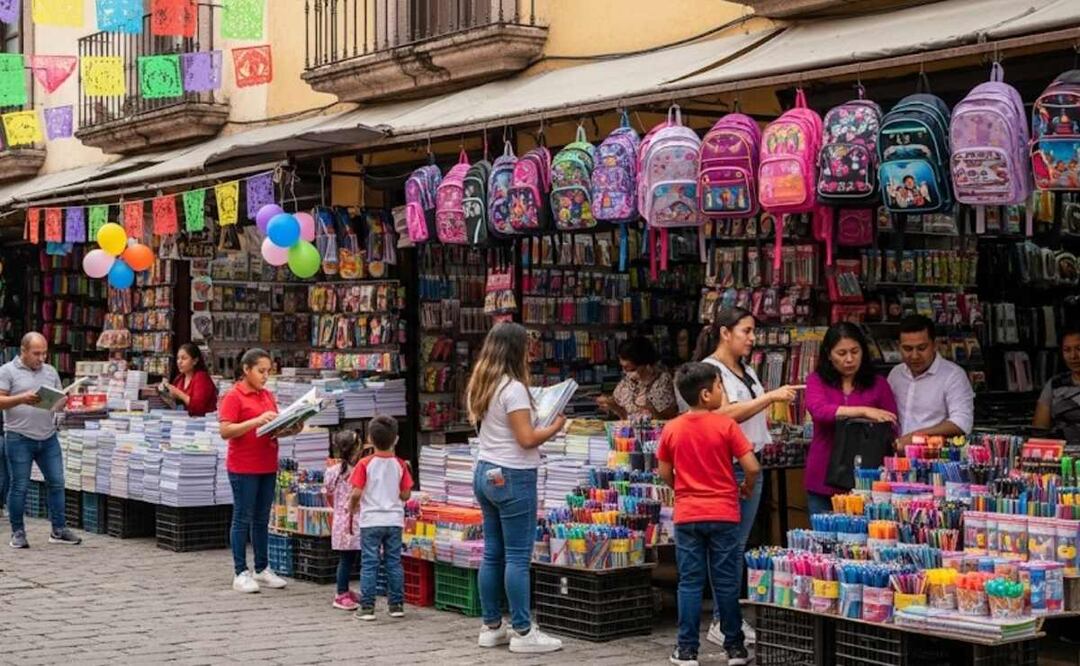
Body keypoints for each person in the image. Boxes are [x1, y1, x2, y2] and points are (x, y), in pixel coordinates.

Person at [691, 305, 801, 647]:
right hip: (728, 466)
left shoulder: (746, 370)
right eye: (746, 331)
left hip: (752, 460)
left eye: (753, 331)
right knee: (728, 546)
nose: (752, 338)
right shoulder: (711, 370)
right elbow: (722, 414)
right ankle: (723, 621)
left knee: (736, 544)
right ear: (725, 333)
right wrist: (770, 396)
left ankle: (728, 617)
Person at [466, 322, 565, 654]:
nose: (530, 353)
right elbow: (526, 439)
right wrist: (555, 426)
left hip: (485, 471)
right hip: (513, 474)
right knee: (518, 556)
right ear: (516, 350)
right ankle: (523, 630)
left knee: (493, 552)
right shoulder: (514, 389)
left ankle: (491, 625)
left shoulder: (482, 383)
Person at [659, 362, 760, 666]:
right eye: (719, 386)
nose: (722, 392)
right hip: (724, 513)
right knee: (725, 581)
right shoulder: (726, 425)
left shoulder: (672, 428)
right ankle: (735, 649)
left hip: (688, 514)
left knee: (690, 582)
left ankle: (687, 650)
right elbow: (752, 466)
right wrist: (746, 487)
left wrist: (683, 488)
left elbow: (664, 471)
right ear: (706, 394)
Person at [218, 348, 295, 593]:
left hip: (267, 463)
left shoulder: (267, 395)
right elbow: (225, 431)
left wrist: (292, 426)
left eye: (268, 371)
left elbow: (273, 428)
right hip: (243, 466)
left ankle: (262, 568)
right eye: (261, 371)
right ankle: (240, 571)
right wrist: (255, 421)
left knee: (262, 518)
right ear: (246, 369)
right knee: (242, 517)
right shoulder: (234, 396)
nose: (265, 376)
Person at [804, 323, 899, 516]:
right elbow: (819, 411)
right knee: (823, 532)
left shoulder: (879, 384)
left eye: (855, 351)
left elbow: (891, 425)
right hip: (822, 474)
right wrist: (864, 412)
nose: (849, 359)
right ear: (829, 354)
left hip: (868, 476)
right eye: (841, 353)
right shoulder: (816, 380)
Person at [0, 332, 81, 547]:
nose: (42, 358)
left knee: (57, 482)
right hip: (19, 437)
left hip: (47, 436)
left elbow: (55, 402)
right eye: (36, 353)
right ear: (23, 351)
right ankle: (18, 533)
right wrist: (21, 398)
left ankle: (59, 530)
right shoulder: (7, 371)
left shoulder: (50, 371)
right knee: (20, 486)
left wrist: (62, 401)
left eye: (44, 353)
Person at [348, 415, 411, 621]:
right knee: (394, 562)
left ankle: (367, 607)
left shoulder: (364, 464)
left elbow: (356, 492)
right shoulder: (400, 465)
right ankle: (396, 605)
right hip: (394, 521)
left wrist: (352, 507)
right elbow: (406, 494)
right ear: (396, 439)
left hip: (371, 521)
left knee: (370, 563)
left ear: (369, 439)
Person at [887, 315, 974, 448]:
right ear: (899, 347)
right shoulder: (895, 374)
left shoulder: (953, 375)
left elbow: (961, 423)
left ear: (934, 345)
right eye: (908, 349)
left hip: (935, 455)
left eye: (922, 348)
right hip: (896, 454)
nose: (915, 356)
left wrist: (915, 437)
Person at [325, 429, 364, 611]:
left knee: (349, 557)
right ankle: (340, 593)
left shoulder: (332, 471)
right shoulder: (360, 470)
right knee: (347, 559)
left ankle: (346, 590)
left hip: (341, 519)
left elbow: (328, 494)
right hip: (352, 521)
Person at [597, 336, 679, 420]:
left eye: (632, 369)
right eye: (623, 368)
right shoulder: (627, 380)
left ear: (646, 365)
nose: (626, 373)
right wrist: (609, 405)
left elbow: (666, 418)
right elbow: (617, 409)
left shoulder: (662, 381)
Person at [1033, 329, 1080, 453]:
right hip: (1062, 456)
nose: (1073, 356)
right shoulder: (1055, 384)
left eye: (1079, 349)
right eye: (1067, 350)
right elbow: (1040, 430)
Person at [161, 343, 218, 417]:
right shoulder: (179, 379)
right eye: (178, 358)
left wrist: (179, 394)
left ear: (195, 361)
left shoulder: (201, 377)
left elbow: (198, 408)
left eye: (184, 358)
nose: (179, 362)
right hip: (182, 420)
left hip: (202, 421)